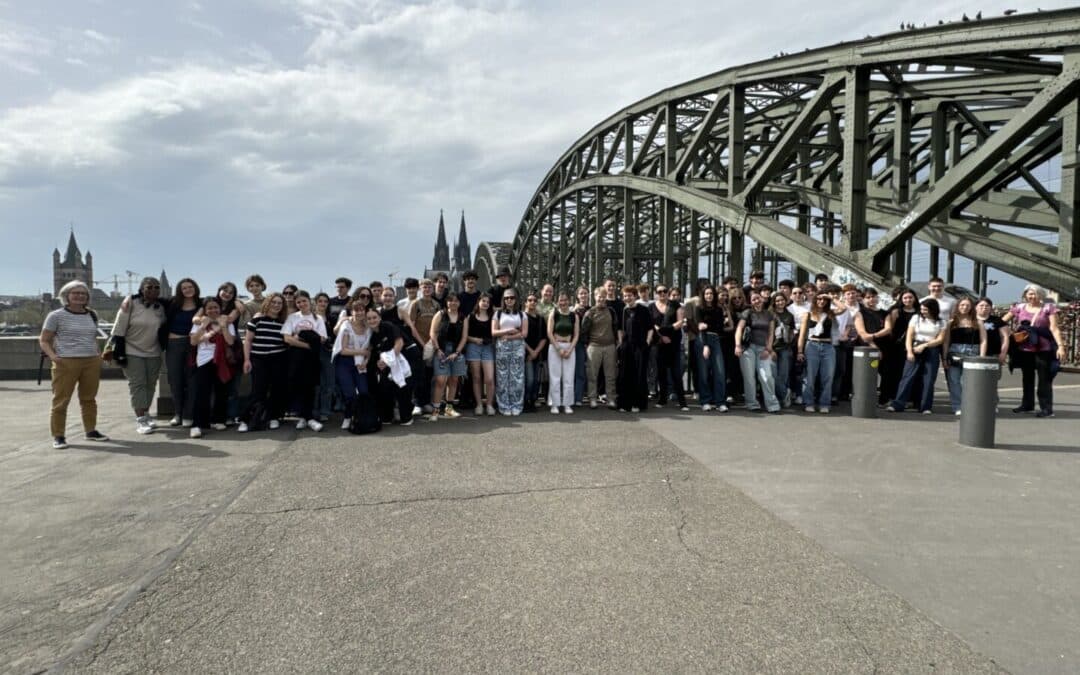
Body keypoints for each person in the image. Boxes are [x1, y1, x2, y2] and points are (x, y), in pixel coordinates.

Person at [39, 281, 109, 448]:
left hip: (91, 361)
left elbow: (91, 337)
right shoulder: (56, 315)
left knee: (89, 399)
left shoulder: (91, 314)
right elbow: (44, 340)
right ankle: (59, 436)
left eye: (83, 294)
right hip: (66, 362)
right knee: (61, 400)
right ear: (66, 296)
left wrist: (98, 356)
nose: (79, 296)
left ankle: (91, 431)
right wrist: (54, 357)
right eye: (75, 293)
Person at [111, 277, 166, 435]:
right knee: (138, 385)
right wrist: (119, 352)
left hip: (154, 352)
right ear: (141, 289)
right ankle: (141, 420)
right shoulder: (131, 304)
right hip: (132, 350)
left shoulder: (161, 307)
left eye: (156, 287)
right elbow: (119, 328)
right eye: (149, 287)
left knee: (150, 385)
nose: (153, 290)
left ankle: (147, 414)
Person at [1002, 284, 1067, 418]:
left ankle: (1046, 408)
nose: (1032, 296)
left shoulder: (1048, 308)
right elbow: (1002, 321)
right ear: (1025, 295)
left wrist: (1060, 346)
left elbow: (1054, 328)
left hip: (1043, 348)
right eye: (1029, 294)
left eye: (1035, 293)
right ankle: (1027, 404)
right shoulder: (1019, 308)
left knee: (1044, 379)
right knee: (1027, 377)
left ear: (1041, 295)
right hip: (1025, 348)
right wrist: (1007, 332)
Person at [188, 296, 237, 438]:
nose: (213, 310)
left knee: (221, 390)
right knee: (201, 393)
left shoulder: (226, 322)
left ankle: (218, 419)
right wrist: (203, 326)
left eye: (216, 307)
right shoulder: (199, 323)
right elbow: (193, 341)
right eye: (209, 308)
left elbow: (230, 341)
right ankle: (197, 424)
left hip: (222, 360)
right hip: (204, 360)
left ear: (220, 308)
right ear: (205, 310)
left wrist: (223, 327)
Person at [239, 293, 288, 432]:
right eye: (274, 302)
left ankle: (273, 417)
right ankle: (245, 420)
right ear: (268, 303)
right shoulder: (257, 320)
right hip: (259, 359)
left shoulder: (283, 322)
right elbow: (248, 341)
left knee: (276, 390)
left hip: (278, 359)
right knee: (258, 390)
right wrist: (247, 360)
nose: (277, 305)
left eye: (279, 303)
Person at [887, 298, 946, 414]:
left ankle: (925, 406)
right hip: (915, 346)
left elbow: (940, 339)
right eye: (922, 309)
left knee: (928, 379)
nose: (923, 311)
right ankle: (898, 404)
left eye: (925, 309)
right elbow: (909, 335)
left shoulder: (941, 322)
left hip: (931, 348)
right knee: (908, 376)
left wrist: (925, 345)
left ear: (933, 309)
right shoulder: (916, 318)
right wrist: (909, 351)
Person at [365, 307, 422, 426]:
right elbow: (373, 352)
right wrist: (377, 362)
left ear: (380, 318)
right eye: (369, 318)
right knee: (385, 386)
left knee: (403, 387)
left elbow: (399, 343)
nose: (372, 320)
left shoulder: (388, 326)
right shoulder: (372, 336)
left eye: (374, 317)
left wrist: (386, 362)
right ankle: (387, 417)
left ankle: (406, 417)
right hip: (391, 360)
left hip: (407, 356)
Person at [281, 291, 327, 432]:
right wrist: (308, 344)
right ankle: (305, 417)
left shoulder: (318, 318)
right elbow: (287, 338)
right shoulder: (292, 317)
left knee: (310, 386)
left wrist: (300, 338)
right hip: (296, 356)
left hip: (311, 358)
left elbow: (322, 338)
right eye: (298, 302)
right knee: (297, 385)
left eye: (304, 301)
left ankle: (308, 417)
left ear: (309, 301)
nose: (302, 304)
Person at [163, 278, 202, 427]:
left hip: (193, 344)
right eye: (184, 288)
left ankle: (188, 414)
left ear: (195, 288)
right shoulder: (172, 303)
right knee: (175, 379)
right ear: (179, 290)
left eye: (190, 287)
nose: (187, 290)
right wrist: (129, 298)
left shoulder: (201, 304)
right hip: (174, 344)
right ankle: (178, 413)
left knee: (192, 380)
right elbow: (150, 298)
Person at [735, 290, 781, 413]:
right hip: (748, 348)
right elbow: (739, 328)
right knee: (749, 377)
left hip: (763, 349)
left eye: (758, 298)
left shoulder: (769, 314)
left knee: (767, 376)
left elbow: (771, 333)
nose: (757, 301)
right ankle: (752, 404)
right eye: (754, 299)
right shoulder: (748, 312)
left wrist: (768, 348)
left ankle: (772, 405)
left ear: (763, 299)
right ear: (751, 302)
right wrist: (738, 345)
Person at [942, 296, 987, 415]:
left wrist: (982, 356)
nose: (965, 307)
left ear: (971, 307)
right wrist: (945, 358)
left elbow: (983, 340)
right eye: (962, 305)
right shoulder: (951, 322)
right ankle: (957, 406)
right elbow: (946, 341)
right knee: (954, 380)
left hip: (973, 352)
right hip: (955, 351)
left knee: (969, 381)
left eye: (967, 305)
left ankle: (970, 405)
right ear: (958, 306)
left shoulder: (977, 321)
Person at [332, 297, 372, 430]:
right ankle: (348, 417)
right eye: (356, 310)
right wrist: (362, 353)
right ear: (351, 312)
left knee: (364, 391)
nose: (359, 313)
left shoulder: (368, 327)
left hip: (360, 362)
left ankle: (361, 416)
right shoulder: (346, 326)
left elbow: (369, 349)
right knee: (350, 394)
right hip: (345, 362)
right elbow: (343, 350)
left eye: (362, 310)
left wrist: (366, 361)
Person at [650, 284, 689, 411]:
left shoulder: (675, 305)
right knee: (661, 372)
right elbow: (653, 325)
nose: (662, 293)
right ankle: (662, 400)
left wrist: (667, 330)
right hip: (659, 343)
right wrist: (662, 336)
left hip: (673, 343)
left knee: (676, 373)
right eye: (659, 291)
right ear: (656, 293)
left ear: (667, 292)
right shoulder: (651, 306)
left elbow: (680, 321)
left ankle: (683, 402)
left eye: (664, 291)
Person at [429, 293, 468, 421]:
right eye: (450, 301)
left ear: (459, 303)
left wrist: (457, 352)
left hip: (456, 351)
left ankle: (449, 408)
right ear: (446, 303)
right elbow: (433, 333)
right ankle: (435, 409)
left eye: (456, 301)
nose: (453, 303)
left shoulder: (463, 317)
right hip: (441, 349)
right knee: (440, 380)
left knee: (454, 380)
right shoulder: (440, 314)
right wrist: (437, 349)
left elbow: (464, 337)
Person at [692, 285, 730, 412]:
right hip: (703, 340)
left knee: (720, 371)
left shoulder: (718, 309)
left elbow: (719, 327)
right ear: (703, 295)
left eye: (711, 294)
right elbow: (699, 327)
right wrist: (705, 345)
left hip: (716, 339)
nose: (709, 296)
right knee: (704, 372)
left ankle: (720, 402)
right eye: (707, 293)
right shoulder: (698, 308)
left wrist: (706, 325)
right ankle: (705, 401)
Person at [797, 293, 836, 414]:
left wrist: (830, 297)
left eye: (824, 299)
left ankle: (824, 403)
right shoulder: (807, 314)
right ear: (814, 300)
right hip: (812, 345)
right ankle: (809, 402)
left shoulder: (830, 314)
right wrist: (800, 351)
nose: (821, 301)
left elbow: (843, 308)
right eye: (819, 298)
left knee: (828, 376)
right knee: (810, 376)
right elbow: (802, 335)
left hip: (828, 346)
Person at [617, 285, 653, 413]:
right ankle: (625, 403)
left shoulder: (643, 310)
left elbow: (650, 328)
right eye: (625, 296)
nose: (627, 298)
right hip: (627, 346)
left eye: (630, 295)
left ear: (635, 296)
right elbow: (621, 329)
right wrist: (621, 344)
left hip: (640, 346)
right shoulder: (624, 310)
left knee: (639, 374)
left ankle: (638, 403)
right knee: (626, 373)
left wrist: (647, 343)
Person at [583, 286, 619, 410]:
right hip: (594, 346)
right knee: (592, 375)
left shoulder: (611, 311)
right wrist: (587, 344)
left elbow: (616, 326)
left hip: (610, 346)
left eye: (604, 296)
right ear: (595, 297)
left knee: (610, 375)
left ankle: (611, 399)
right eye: (599, 296)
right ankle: (592, 398)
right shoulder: (590, 312)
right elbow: (584, 330)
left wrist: (617, 342)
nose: (602, 298)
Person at [882, 288, 918, 407]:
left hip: (913, 345)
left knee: (908, 373)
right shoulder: (896, 311)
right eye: (905, 298)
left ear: (914, 298)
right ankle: (889, 397)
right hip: (896, 346)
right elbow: (890, 330)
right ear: (901, 299)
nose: (908, 300)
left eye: (910, 297)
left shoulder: (919, 312)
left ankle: (907, 399)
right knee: (892, 373)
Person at [493, 289, 528, 415]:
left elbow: (524, 333)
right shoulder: (498, 314)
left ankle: (517, 405)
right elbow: (494, 332)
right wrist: (510, 331)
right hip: (502, 348)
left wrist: (509, 336)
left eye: (512, 297)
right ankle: (504, 405)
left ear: (516, 299)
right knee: (502, 377)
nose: (509, 300)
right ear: (503, 300)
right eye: (507, 298)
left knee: (517, 377)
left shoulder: (522, 314)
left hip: (517, 347)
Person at [409, 279, 440, 414]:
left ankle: (426, 402)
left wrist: (434, 342)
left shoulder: (436, 305)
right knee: (418, 374)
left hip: (432, 343)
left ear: (432, 289)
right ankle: (417, 403)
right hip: (419, 343)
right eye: (424, 287)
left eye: (429, 287)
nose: (427, 289)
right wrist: (422, 343)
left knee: (428, 374)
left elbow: (439, 326)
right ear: (420, 289)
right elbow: (411, 326)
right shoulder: (416, 304)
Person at [546, 291, 579, 414]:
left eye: (565, 300)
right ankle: (555, 404)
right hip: (555, 347)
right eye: (561, 300)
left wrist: (570, 349)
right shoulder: (553, 314)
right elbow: (549, 333)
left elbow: (576, 335)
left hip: (570, 347)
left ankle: (567, 404)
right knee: (555, 377)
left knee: (569, 378)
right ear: (557, 301)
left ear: (569, 301)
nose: (563, 302)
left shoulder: (573, 316)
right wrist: (558, 349)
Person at [465, 293, 496, 416]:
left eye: (488, 302)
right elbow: (465, 335)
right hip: (474, 347)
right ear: (478, 302)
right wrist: (475, 340)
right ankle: (478, 404)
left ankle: (489, 404)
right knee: (476, 378)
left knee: (489, 378)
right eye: (483, 301)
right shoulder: (471, 317)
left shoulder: (492, 316)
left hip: (488, 348)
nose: (485, 304)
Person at [770, 292, 796, 408]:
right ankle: (785, 393)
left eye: (782, 300)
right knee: (773, 375)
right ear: (774, 302)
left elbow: (792, 330)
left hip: (785, 348)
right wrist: (769, 348)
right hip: (772, 348)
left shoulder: (789, 315)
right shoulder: (770, 314)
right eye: (777, 301)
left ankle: (782, 399)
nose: (780, 302)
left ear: (785, 301)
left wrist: (790, 338)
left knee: (783, 375)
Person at [523, 293, 548, 412]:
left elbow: (544, 338)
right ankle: (526, 400)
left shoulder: (540, 319)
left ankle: (533, 400)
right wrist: (530, 351)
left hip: (537, 353)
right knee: (529, 379)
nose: (532, 302)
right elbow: (520, 337)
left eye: (534, 300)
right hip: (526, 353)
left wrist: (536, 351)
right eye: (530, 300)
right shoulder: (522, 317)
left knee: (536, 379)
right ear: (525, 303)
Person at [313, 292, 336, 422]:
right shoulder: (310, 317)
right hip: (314, 352)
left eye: (325, 301)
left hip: (328, 352)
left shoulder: (332, 318)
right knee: (316, 384)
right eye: (320, 301)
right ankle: (314, 411)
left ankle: (325, 411)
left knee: (329, 383)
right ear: (315, 303)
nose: (323, 304)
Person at [572, 286, 590, 406]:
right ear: (577, 296)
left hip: (587, 343)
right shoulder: (573, 311)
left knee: (580, 372)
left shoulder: (592, 310)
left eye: (585, 293)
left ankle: (578, 398)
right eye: (581, 294)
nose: (583, 296)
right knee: (571, 372)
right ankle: (570, 397)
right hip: (574, 343)